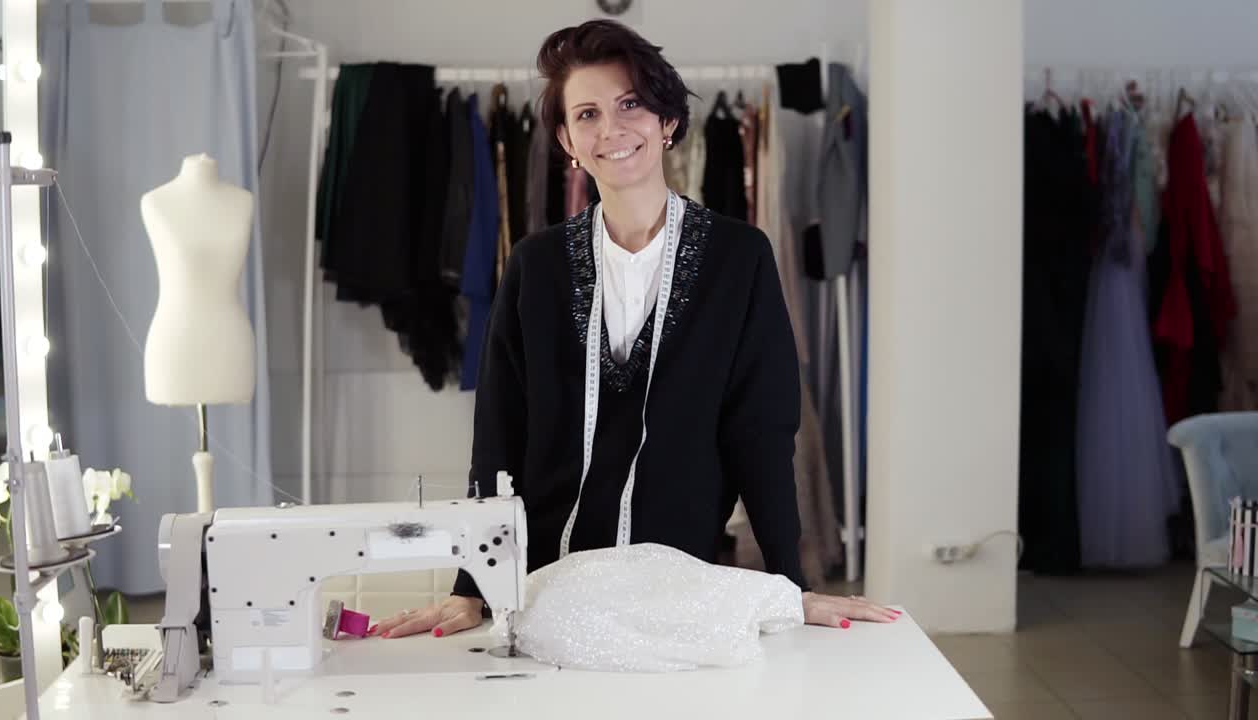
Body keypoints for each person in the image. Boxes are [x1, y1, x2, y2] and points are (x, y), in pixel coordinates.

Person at [377, 20, 897, 640]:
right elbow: (498, 436)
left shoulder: (739, 258)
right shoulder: (535, 265)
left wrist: (789, 585)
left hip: (680, 589)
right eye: (588, 114)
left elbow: (760, 432)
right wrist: (472, 586)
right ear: (567, 141)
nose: (612, 129)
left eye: (630, 104)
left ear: (667, 121)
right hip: (547, 588)